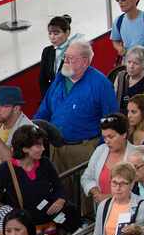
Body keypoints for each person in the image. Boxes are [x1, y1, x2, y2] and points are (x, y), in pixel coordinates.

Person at [35, 40, 119, 178]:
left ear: (85, 61)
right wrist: (32, 128)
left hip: (84, 151)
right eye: (65, 57)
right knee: (61, 192)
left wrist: (102, 152)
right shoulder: (60, 79)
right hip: (56, 148)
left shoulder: (101, 84)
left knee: (84, 194)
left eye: (70, 59)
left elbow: (111, 120)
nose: (65, 61)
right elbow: (45, 108)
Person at [0, 126, 68, 228]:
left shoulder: (45, 163)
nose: (43, 148)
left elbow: (58, 186)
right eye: (38, 145)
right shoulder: (4, 170)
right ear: (24, 148)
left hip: (51, 223)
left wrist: (60, 200)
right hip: (23, 229)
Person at [81, 114, 135, 206]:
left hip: (126, 209)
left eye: (111, 137)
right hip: (101, 209)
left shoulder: (136, 155)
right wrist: (96, 193)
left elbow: (137, 188)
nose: (107, 141)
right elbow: (86, 177)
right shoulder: (101, 150)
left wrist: (109, 198)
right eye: (104, 137)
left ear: (124, 134)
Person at [38, 15, 82, 97]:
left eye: (56, 33)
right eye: (50, 33)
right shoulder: (47, 51)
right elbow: (42, 80)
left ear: (67, 33)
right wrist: (48, 98)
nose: (52, 37)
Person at [0, 87, 33, 172]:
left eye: (3, 106)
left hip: (4, 183)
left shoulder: (27, 130)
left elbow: (12, 164)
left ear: (16, 109)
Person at [114, 46, 144, 114]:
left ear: (143, 65)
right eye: (129, 62)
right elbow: (113, 100)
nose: (131, 66)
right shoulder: (120, 76)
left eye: (136, 63)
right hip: (120, 119)